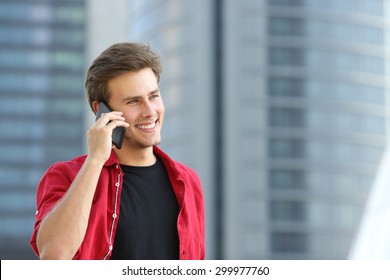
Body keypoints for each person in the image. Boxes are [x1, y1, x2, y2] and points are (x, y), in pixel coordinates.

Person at [30, 42, 205, 260]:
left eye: (153, 96)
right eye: (133, 101)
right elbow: (54, 256)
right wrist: (95, 159)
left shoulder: (187, 181)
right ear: (101, 110)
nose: (150, 112)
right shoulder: (66, 175)